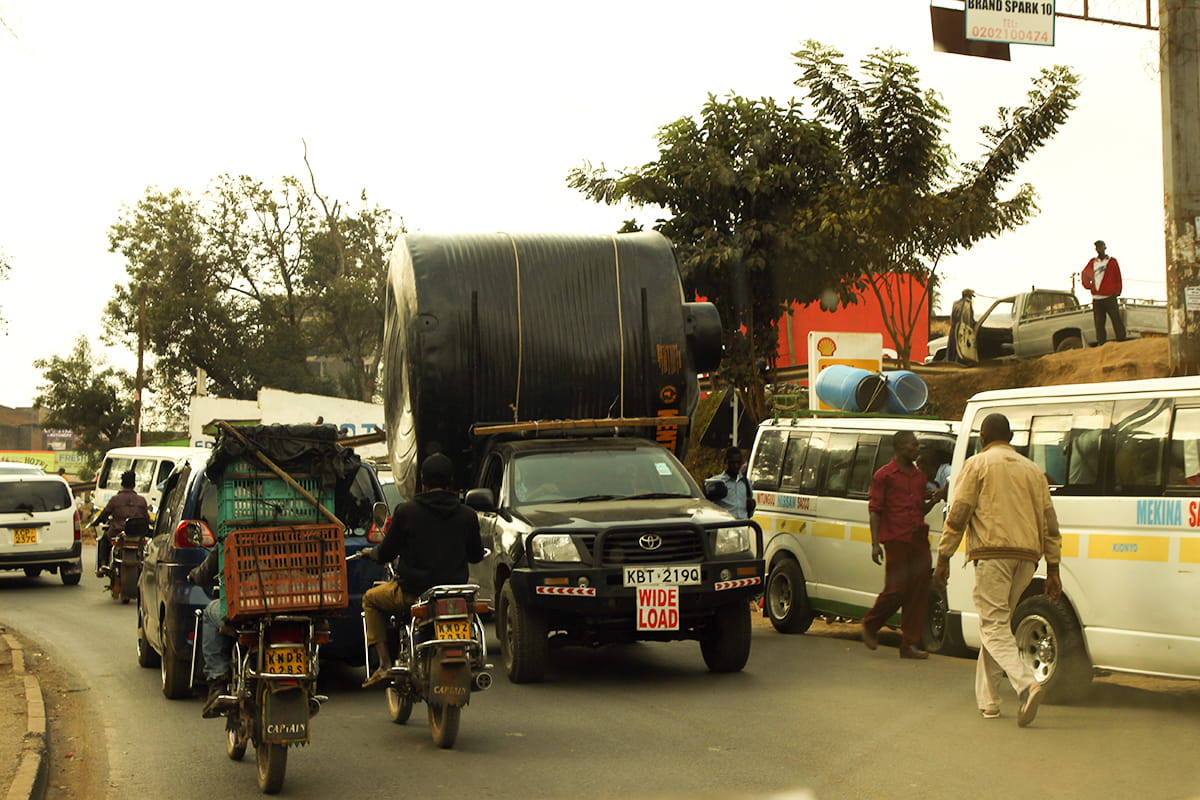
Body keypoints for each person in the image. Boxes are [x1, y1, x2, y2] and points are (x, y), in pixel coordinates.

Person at [932, 413, 1062, 726]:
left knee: (992, 627)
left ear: (984, 437)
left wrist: (943, 557)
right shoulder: (1033, 470)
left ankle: (1026, 685)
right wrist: (1053, 569)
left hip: (993, 555)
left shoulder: (977, 464)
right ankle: (989, 702)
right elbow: (1050, 523)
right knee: (998, 627)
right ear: (1011, 437)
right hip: (1027, 559)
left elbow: (958, 514)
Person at [359, 453, 485, 688]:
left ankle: (384, 664)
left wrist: (372, 553)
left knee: (370, 600)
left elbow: (386, 552)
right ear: (451, 481)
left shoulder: (406, 512)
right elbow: (476, 555)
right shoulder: (467, 515)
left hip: (413, 594)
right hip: (455, 597)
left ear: (422, 481)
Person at [861, 430, 938, 660]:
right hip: (896, 539)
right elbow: (875, 510)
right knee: (896, 589)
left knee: (919, 590)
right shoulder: (884, 475)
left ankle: (909, 644)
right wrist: (875, 543)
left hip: (918, 538)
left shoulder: (919, 477)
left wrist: (935, 500)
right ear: (900, 446)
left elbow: (920, 509)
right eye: (913, 445)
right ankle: (871, 624)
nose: (917, 450)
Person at [187, 547, 235, 717]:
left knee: (209, 613)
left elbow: (204, 574)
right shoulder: (297, 537)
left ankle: (217, 680)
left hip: (246, 609)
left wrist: (194, 575)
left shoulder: (230, 537)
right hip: (294, 606)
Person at [93, 470, 149, 578]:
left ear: (122, 483)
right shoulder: (142, 501)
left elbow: (104, 514)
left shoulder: (115, 500)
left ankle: (103, 565)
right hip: (137, 535)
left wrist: (96, 522)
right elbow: (146, 518)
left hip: (116, 532)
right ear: (134, 484)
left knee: (104, 539)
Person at [1081, 239, 1126, 345]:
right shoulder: (1093, 262)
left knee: (1116, 319)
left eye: (1101, 246)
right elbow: (1084, 274)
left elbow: (1118, 277)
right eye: (1097, 247)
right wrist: (1089, 286)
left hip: (1110, 296)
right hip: (1097, 298)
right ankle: (1101, 343)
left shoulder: (1112, 261)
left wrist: (1117, 292)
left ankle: (1121, 340)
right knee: (1099, 323)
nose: (1099, 249)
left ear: (1105, 247)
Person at [706, 446, 756, 519]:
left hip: (743, 523)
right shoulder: (716, 482)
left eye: (738, 462)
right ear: (725, 462)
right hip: (725, 523)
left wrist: (751, 507)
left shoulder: (746, 483)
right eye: (732, 462)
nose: (736, 466)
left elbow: (749, 513)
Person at [947, 288, 976, 363]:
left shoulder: (955, 303)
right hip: (962, 331)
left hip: (954, 329)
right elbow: (970, 320)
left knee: (952, 351)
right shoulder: (967, 304)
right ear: (969, 296)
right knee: (959, 352)